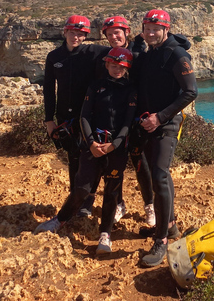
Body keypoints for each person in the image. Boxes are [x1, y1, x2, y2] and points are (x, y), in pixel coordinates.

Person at [35, 47, 137, 255]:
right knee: (82, 188)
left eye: (122, 66)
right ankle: (60, 220)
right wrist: (91, 143)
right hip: (92, 145)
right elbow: (84, 117)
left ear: (127, 68)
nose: (117, 69)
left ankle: (105, 234)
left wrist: (114, 145)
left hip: (116, 149)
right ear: (107, 65)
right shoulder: (95, 86)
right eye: (113, 65)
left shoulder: (131, 90)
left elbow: (128, 122)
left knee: (111, 192)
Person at [136, 9, 198, 267]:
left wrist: (160, 118)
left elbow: (190, 92)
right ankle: (169, 225)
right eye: (147, 29)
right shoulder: (151, 52)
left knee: (160, 175)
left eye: (155, 29)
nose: (151, 33)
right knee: (155, 174)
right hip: (148, 122)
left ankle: (162, 240)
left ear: (166, 29)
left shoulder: (177, 54)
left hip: (167, 123)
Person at [43, 15, 108, 216]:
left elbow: (123, 51)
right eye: (72, 33)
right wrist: (49, 120)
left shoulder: (95, 53)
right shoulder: (54, 57)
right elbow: (48, 89)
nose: (76, 37)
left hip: (89, 116)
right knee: (73, 158)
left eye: (81, 34)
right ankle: (75, 197)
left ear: (86, 35)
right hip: (65, 118)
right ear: (65, 32)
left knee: (90, 157)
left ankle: (88, 199)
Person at [100, 15, 155, 228]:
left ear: (126, 32)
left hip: (138, 118)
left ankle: (149, 205)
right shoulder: (106, 56)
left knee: (141, 164)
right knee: (114, 165)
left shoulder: (139, 53)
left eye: (118, 33)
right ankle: (119, 204)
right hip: (114, 119)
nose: (114, 37)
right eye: (109, 34)